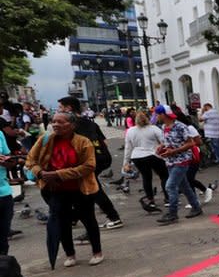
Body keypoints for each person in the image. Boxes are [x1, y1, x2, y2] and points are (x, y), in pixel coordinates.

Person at [24, 112, 105, 267]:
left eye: (61, 122)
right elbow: (30, 161)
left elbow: (89, 166)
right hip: (54, 189)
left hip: (80, 188)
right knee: (61, 221)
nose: (55, 125)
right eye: (54, 122)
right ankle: (70, 254)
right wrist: (41, 173)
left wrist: (58, 174)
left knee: (88, 219)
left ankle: (97, 252)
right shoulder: (45, 140)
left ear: (72, 125)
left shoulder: (83, 142)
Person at [57, 96, 123, 231]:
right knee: (83, 190)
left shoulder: (70, 125)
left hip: (85, 161)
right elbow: (104, 142)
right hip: (100, 159)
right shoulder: (90, 122)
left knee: (93, 189)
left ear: (68, 108)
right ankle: (74, 218)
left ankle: (114, 217)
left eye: (61, 107)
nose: (59, 110)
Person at [153, 105, 204, 225]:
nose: (156, 117)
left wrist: (174, 151)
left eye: (158, 114)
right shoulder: (164, 127)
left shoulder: (181, 126)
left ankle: (172, 213)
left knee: (170, 186)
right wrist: (161, 147)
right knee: (184, 186)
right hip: (171, 161)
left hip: (182, 161)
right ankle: (196, 207)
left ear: (164, 115)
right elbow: (167, 141)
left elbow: (191, 143)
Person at [123, 111, 169, 210]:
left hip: (137, 157)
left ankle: (151, 200)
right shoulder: (154, 128)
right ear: (147, 119)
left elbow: (128, 148)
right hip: (152, 154)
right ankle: (168, 198)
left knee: (146, 178)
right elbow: (164, 141)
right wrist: (161, 147)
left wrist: (126, 163)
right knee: (164, 175)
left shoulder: (130, 131)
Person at [0, 124, 15, 255]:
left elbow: (11, 162)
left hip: (4, 193)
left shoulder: (0, 134)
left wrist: (6, 161)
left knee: (3, 240)